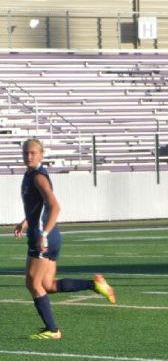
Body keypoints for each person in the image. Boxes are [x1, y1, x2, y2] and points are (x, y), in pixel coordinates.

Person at [13, 138, 116, 340]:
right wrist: (25, 222)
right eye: (25, 153)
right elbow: (39, 208)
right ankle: (94, 285)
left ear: (41, 154)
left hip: (44, 236)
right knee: (48, 285)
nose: (28, 156)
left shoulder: (38, 178)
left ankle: (52, 330)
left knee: (33, 284)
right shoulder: (30, 175)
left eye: (33, 153)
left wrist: (43, 235)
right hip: (48, 235)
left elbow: (55, 207)